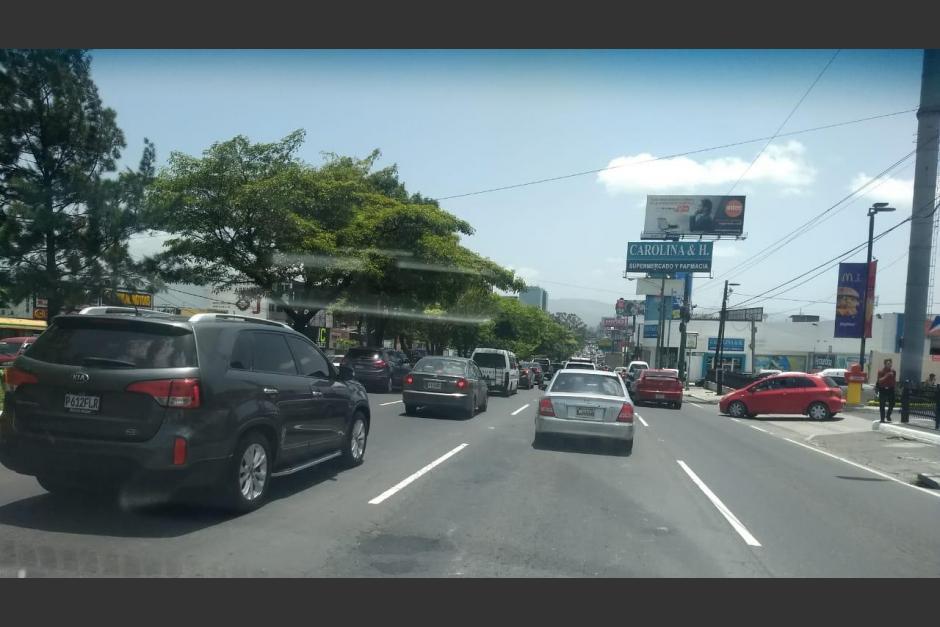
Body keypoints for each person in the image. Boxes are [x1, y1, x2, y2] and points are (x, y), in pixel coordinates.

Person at [876, 358, 897, 423]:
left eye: (890, 363)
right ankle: (882, 418)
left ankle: (888, 415)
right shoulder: (881, 371)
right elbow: (879, 381)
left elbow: (894, 380)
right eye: (888, 363)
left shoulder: (893, 371)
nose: (890, 364)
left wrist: (894, 386)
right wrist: (887, 375)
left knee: (892, 403)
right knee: (882, 404)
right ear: (885, 364)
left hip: (891, 389)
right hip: (883, 389)